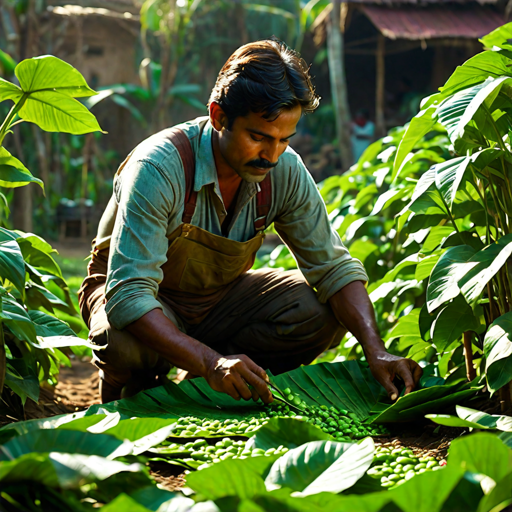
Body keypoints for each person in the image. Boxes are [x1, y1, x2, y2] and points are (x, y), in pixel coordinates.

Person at [79, 39, 422, 405]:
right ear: (218, 117)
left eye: (284, 140)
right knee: (124, 344)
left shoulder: (285, 170)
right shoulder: (159, 167)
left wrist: (376, 349)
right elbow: (128, 295)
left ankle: (209, 378)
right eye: (258, 137)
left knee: (317, 311)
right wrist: (212, 362)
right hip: (143, 296)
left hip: (218, 301)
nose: (271, 155)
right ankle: (133, 384)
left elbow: (333, 268)